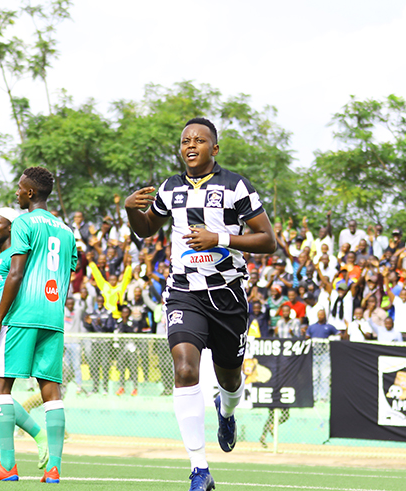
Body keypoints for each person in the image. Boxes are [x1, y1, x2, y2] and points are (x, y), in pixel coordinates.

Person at [124, 118, 276, 491]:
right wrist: (130, 210)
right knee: (185, 367)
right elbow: (147, 229)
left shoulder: (235, 185)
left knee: (230, 378)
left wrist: (219, 238)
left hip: (227, 295)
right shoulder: (170, 188)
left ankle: (226, 410)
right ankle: (199, 469)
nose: (191, 145)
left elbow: (268, 240)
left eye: (200, 140)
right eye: (185, 141)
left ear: (214, 148)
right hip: (183, 292)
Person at [0, 167, 77, 483]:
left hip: (22, 316)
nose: (17, 193)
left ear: (31, 192)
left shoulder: (23, 223)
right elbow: (67, 274)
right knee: (51, 389)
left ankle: (6, 464)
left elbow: (16, 273)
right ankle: (54, 467)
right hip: (53, 316)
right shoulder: (66, 230)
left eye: (20, 188)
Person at [0, 208, 50, 473]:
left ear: (12, 227)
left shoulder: (16, 258)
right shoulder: (0, 257)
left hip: (3, 329)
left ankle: (39, 435)